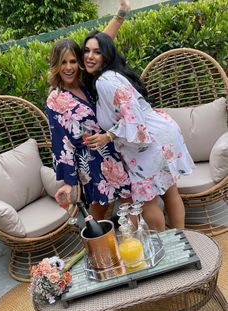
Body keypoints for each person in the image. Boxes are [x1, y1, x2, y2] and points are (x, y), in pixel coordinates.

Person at [82, 31, 195, 231]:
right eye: (87, 51)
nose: (90, 56)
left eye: (97, 52)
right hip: (159, 133)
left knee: (147, 201)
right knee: (170, 192)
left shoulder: (104, 81)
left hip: (149, 142)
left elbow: (134, 115)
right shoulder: (111, 75)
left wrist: (108, 136)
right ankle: (183, 241)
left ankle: (168, 251)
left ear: (106, 56)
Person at [46, 1, 132, 221]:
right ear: (55, 65)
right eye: (63, 62)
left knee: (129, 202)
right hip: (89, 162)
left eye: (73, 61)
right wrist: (69, 181)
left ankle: (138, 246)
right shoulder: (55, 99)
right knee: (100, 211)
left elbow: (101, 43)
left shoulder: (86, 80)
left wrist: (120, 15)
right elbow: (60, 142)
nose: (68, 67)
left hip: (112, 146)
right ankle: (97, 250)